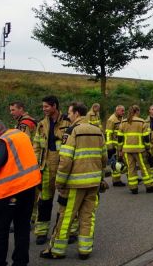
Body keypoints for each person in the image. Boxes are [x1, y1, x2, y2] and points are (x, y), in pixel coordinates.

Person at [40, 102, 107, 260]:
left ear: (77, 114)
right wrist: (101, 178)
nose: (68, 116)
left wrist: (60, 182)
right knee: (87, 217)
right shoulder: (98, 131)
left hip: (75, 184)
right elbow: (104, 158)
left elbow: (65, 161)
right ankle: (85, 250)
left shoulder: (72, 131)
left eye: (70, 113)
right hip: (93, 183)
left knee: (66, 217)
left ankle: (57, 250)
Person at [0, 118, 41, 266]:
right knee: (22, 228)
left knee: (0, 231)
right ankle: (21, 262)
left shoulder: (2, 141)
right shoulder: (19, 134)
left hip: (10, 191)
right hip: (28, 187)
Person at [32, 95, 71, 245]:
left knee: (65, 199)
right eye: (43, 107)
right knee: (44, 201)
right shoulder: (41, 124)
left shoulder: (68, 121)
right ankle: (41, 232)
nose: (44, 109)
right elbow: (36, 145)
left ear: (54, 106)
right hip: (46, 165)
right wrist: (36, 164)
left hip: (63, 165)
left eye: (46, 107)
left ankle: (68, 231)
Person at [119, 105, 153, 194]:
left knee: (131, 169)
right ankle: (149, 186)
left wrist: (120, 150)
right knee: (144, 168)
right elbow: (146, 137)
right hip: (140, 150)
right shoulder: (141, 122)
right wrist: (148, 148)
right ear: (137, 111)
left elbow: (120, 138)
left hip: (126, 150)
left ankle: (133, 187)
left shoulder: (124, 122)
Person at [105, 105, 125, 187]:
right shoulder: (111, 120)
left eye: (124, 111)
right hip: (114, 145)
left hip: (120, 145)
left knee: (121, 162)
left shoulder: (121, 118)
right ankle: (116, 180)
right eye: (122, 111)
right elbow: (108, 134)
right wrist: (110, 147)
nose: (123, 112)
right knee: (115, 163)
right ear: (117, 111)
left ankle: (119, 179)